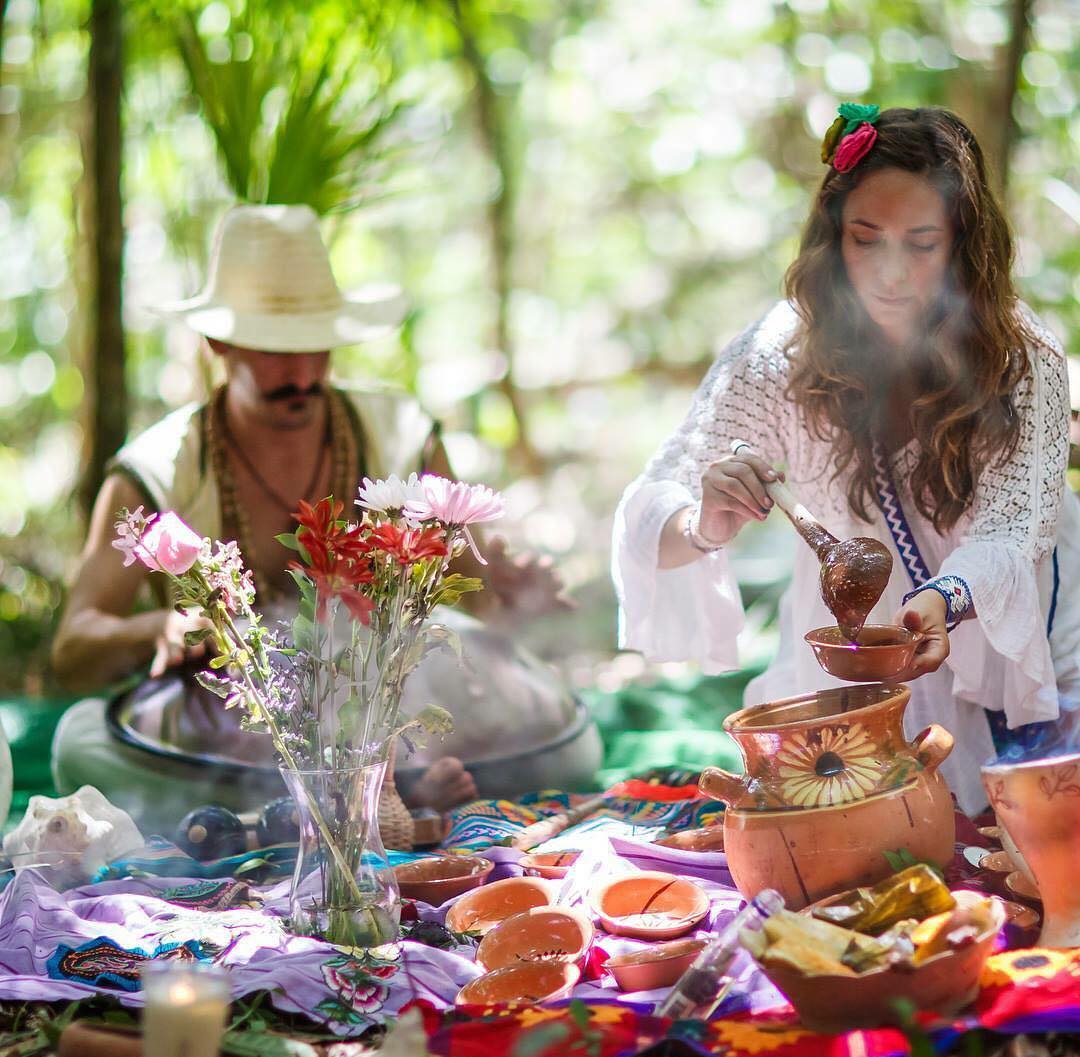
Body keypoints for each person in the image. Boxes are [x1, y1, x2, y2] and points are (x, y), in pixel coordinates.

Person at [51, 204, 597, 834]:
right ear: (218, 341)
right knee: (80, 743)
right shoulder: (155, 470)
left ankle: (307, 812)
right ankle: (359, 807)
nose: (304, 374)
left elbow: (472, 612)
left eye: (318, 345)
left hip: (397, 716)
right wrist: (159, 628)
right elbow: (72, 647)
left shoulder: (403, 437)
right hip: (234, 734)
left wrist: (508, 593)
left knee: (567, 736)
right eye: (278, 350)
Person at [613, 105, 1079, 815]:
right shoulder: (779, 356)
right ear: (834, 238)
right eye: (867, 240)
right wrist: (704, 523)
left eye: (922, 245)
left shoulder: (1021, 359)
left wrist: (943, 600)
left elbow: (1017, 531)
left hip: (1024, 636)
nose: (891, 274)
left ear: (964, 245)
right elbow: (654, 510)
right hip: (857, 657)